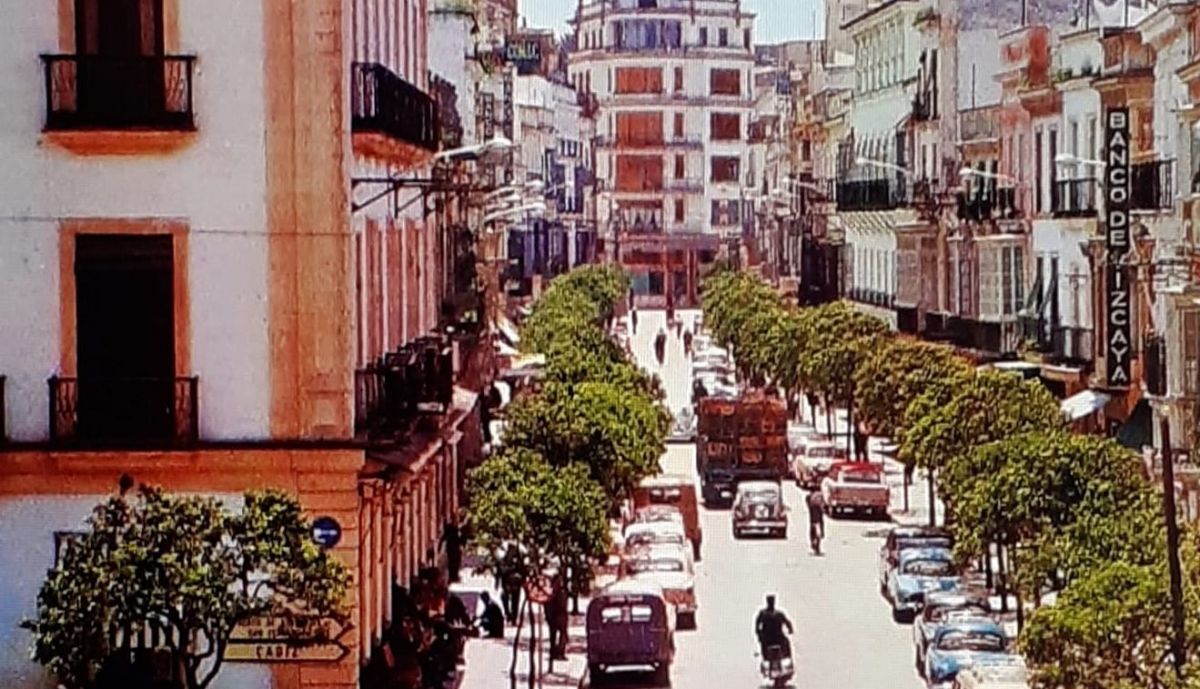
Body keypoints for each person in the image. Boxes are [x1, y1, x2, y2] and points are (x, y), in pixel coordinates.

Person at [545, 579, 570, 660]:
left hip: (557, 617)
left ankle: (557, 652)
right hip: (557, 617)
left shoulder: (551, 594)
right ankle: (557, 652)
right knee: (558, 635)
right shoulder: (556, 594)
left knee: (558, 635)